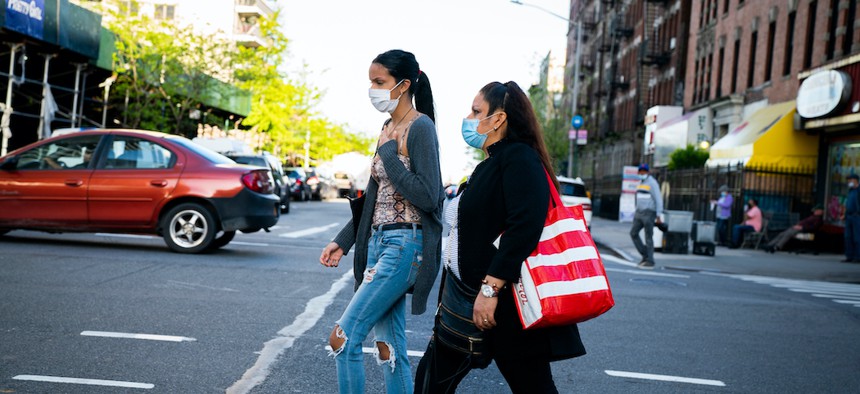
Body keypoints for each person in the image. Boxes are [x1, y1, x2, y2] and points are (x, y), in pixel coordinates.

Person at [414, 81, 585, 393]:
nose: (468, 117)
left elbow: (524, 228)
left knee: (532, 386)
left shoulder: (519, 158)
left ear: (499, 119)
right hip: (466, 299)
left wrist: (490, 292)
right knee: (430, 381)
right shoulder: (492, 162)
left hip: (504, 305)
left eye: (477, 111)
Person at [318, 49, 443, 394]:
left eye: (379, 82)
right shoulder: (387, 127)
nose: (371, 89)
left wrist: (390, 155)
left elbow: (430, 196)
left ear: (403, 85)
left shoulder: (421, 128)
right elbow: (373, 198)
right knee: (389, 349)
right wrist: (344, 241)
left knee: (343, 339)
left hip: (405, 247)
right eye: (370, 81)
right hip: (378, 242)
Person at [629, 163, 663, 269]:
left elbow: (658, 199)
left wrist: (658, 214)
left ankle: (650, 260)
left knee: (648, 237)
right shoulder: (640, 183)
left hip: (649, 213)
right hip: (639, 213)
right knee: (633, 233)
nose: (642, 173)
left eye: (644, 171)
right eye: (640, 171)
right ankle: (645, 254)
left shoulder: (652, 183)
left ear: (648, 172)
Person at [841, 174, 860, 263]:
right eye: (848, 180)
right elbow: (848, 204)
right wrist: (844, 214)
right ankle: (849, 256)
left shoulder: (858, 190)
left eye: (850, 180)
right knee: (848, 237)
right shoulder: (851, 191)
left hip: (857, 216)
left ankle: (857, 257)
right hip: (849, 216)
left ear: (856, 180)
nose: (849, 182)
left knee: (857, 237)